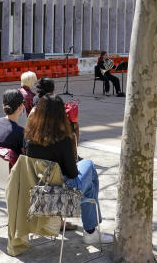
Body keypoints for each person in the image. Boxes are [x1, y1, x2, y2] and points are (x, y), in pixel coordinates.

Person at [23, 95, 112, 245]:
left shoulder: (29, 138)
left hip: (38, 198)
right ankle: (91, 231)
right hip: (62, 199)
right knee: (89, 167)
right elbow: (72, 173)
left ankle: (91, 232)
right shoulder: (63, 140)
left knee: (89, 185)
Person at [0, 89, 25, 155]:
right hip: (13, 165)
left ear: (3, 106)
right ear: (21, 107)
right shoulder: (20, 132)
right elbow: (26, 157)